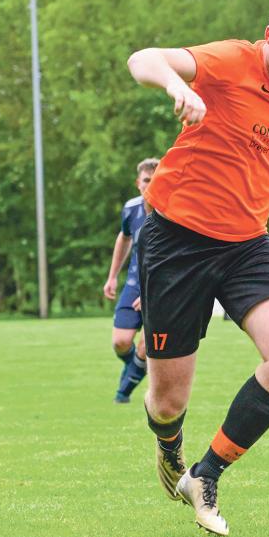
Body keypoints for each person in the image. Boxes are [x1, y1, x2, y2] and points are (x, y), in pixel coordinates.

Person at [125, 0, 269, 535]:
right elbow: (143, 57)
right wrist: (177, 86)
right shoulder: (229, 60)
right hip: (176, 241)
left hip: (246, 244)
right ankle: (169, 444)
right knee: (168, 402)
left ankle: (207, 473)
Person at [103, 158, 159, 403]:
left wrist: (149, 293)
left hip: (161, 288)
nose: (151, 184)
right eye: (147, 180)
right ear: (138, 183)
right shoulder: (131, 209)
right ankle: (136, 367)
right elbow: (124, 238)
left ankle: (122, 392)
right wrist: (113, 276)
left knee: (146, 347)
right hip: (135, 282)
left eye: (156, 179)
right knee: (121, 342)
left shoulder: (172, 212)